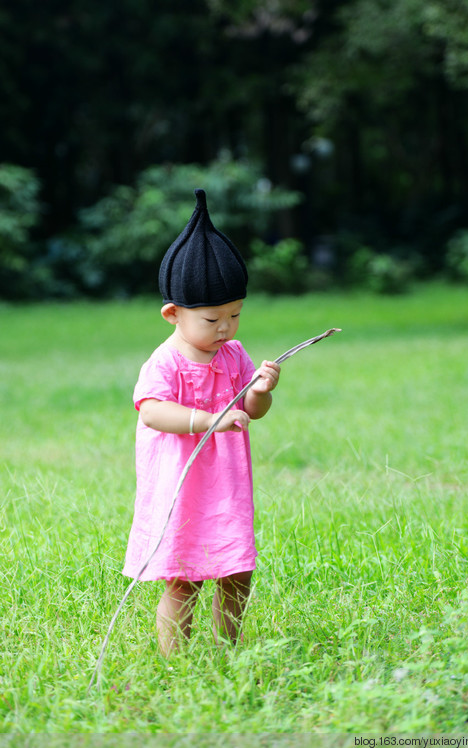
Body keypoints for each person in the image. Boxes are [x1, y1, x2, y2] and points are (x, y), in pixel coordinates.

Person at [122, 188, 280, 656]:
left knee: (237, 569)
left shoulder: (232, 355)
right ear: (173, 314)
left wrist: (259, 393)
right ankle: (176, 658)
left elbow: (249, 413)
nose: (227, 328)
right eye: (213, 319)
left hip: (227, 485)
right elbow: (151, 410)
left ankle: (229, 646)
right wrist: (208, 418)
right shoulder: (164, 363)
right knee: (183, 577)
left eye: (235, 315)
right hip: (181, 486)